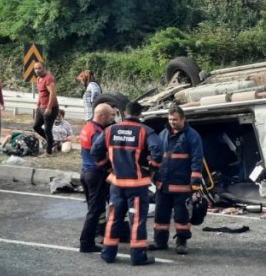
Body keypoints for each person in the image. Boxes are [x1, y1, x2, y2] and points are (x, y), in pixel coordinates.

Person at [90, 101, 161, 266]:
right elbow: (158, 152)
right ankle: (138, 256)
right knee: (136, 220)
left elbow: (95, 151)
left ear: (124, 112)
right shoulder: (145, 131)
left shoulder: (110, 130)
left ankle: (108, 254)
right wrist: (151, 170)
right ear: (140, 114)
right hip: (136, 186)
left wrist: (108, 168)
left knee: (114, 218)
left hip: (116, 184)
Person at [150, 104, 204, 255]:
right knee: (160, 215)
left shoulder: (192, 136)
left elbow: (197, 159)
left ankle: (181, 242)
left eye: (175, 120)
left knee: (181, 216)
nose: (172, 122)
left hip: (181, 185)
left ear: (183, 119)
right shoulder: (163, 134)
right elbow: (158, 155)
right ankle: (159, 241)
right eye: (170, 119)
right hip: (163, 185)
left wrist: (195, 181)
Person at [78, 103, 115, 253]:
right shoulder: (97, 132)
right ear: (102, 116)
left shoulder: (88, 127)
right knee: (95, 210)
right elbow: (98, 153)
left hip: (86, 172)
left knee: (93, 209)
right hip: (96, 173)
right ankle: (86, 243)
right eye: (110, 116)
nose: (112, 119)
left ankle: (92, 238)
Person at [32, 62, 59, 155]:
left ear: (44, 68)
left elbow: (52, 93)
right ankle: (52, 142)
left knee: (47, 129)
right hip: (41, 107)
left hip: (51, 108)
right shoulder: (38, 78)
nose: (37, 70)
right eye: (35, 69)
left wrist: (49, 108)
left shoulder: (48, 79)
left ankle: (48, 152)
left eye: (39, 68)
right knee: (36, 126)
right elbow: (40, 93)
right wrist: (37, 105)